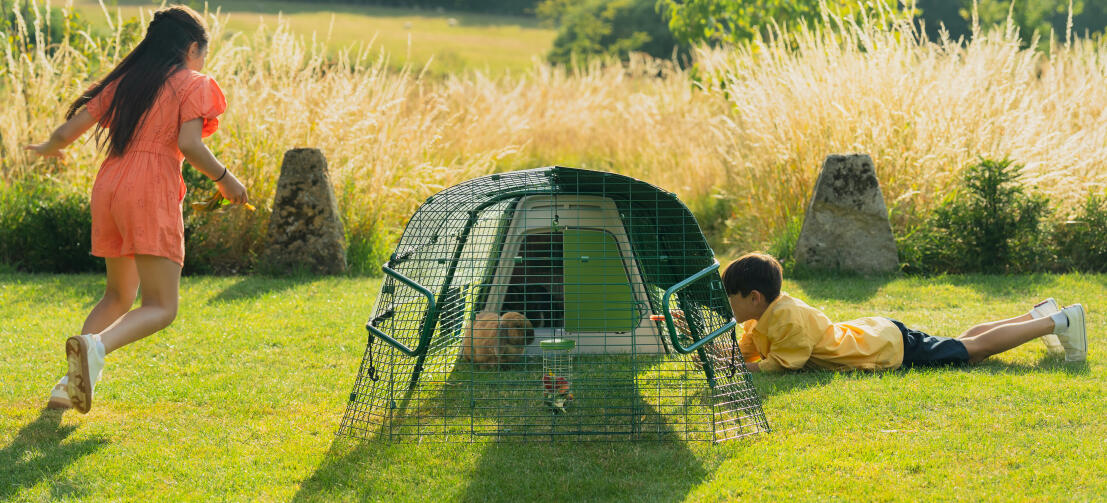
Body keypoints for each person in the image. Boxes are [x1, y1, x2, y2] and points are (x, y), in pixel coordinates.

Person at [25, 5, 247, 413]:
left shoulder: (128, 81)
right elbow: (190, 145)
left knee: (118, 294)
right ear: (192, 48)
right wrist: (225, 178)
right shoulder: (194, 82)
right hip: (150, 188)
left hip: (110, 187)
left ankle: (66, 385)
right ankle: (95, 346)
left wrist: (47, 148)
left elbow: (68, 130)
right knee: (161, 306)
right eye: (203, 54)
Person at [720, 252, 1087, 373]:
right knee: (962, 342)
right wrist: (725, 355)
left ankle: (1060, 321)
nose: (727, 305)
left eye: (730, 298)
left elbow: (783, 364)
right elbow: (750, 350)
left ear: (754, 297)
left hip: (887, 349)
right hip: (880, 337)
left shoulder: (785, 318)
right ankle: (1039, 314)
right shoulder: (767, 316)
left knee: (972, 351)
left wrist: (740, 367)